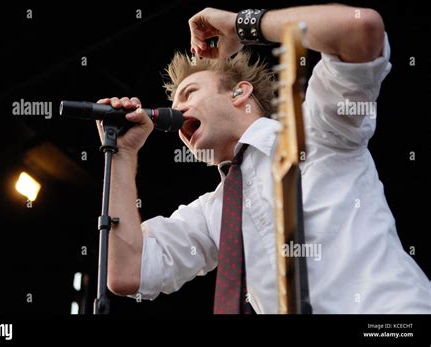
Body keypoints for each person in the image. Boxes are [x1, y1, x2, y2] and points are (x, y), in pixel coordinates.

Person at [96, 5, 431, 314]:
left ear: (241, 92)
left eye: (190, 93)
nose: (177, 112)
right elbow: (127, 272)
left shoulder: (318, 131)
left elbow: (360, 28)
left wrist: (240, 26)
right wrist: (123, 155)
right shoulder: (214, 211)